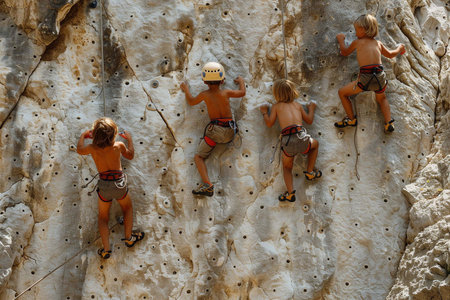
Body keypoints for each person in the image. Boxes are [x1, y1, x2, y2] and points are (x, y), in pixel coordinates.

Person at [77, 117, 144, 259]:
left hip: (104, 186)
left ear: (94, 135)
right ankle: (128, 238)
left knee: (103, 217)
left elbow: (79, 150)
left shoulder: (91, 148)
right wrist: (130, 140)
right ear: (114, 133)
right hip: (119, 183)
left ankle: (106, 249)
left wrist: (83, 136)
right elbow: (130, 155)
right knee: (127, 208)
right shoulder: (118, 145)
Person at [180, 62, 246, 197]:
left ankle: (207, 185)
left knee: (198, 157)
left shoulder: (205, 94)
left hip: (214, 133)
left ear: (204, 81)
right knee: (209, 146)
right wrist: (241, 81)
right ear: (222, 80)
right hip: (229, 131)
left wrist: (186, 89)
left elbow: (191, 102)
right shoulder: (226, 92)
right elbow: (242, 93)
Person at [334, 14, 406, 133]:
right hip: (379, 76)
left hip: (365, 78)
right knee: (382, 98)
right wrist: (400, 48)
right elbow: (391, 54)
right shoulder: (378, 43)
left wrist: (341, 39)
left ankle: (351, 120)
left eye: (357, 29)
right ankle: (388, 122)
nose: (356, 32)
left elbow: (345, 52)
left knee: (342, 93)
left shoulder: (358, 42)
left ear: (363, 29)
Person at [260, 79, 321, 203]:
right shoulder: (297, 105)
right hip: (301, 137)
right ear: (293, 91)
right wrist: (312, 108)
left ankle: (290, 193)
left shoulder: (277, 107)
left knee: (287, 167)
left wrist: (265, 113)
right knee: (315, 144)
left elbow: (270, 123)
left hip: (288, 140)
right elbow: (309, 120)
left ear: (276, 94)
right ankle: (309, 171)